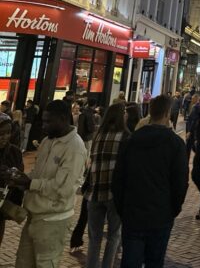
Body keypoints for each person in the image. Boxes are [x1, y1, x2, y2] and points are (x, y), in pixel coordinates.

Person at [112, 94, 188, 268]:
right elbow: (180, 183)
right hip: (160, 215)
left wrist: (123, 208)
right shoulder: (175, 144)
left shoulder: (131, 140)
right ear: (167, 113)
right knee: (155, 261)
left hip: (133, 214)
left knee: (130, 261)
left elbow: (118, 179)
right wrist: (172, 210)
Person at [8, 100, 87, 268]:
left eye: (48, 121)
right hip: (33, 216)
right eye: (43, 121)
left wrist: (30, 183)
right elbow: (38, 173)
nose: (44, 126)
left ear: (64, 119)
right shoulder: (47, 141)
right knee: (22, 262)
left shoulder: (75, 147)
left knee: (45, 263)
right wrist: (21, 179)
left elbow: (63, 188)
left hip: (53, 220)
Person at [85, 103, 130, 268]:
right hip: (114, 193)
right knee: (113, 236)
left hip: (94, 191)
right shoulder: (124, 136)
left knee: (94, 238)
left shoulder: (98, 135)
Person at [0, 112, 24, 246]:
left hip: (3, 205)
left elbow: (21, 176)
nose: (5, 137)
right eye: (1, 133)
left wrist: (13, 176)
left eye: (8, 133)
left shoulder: (14, 152)